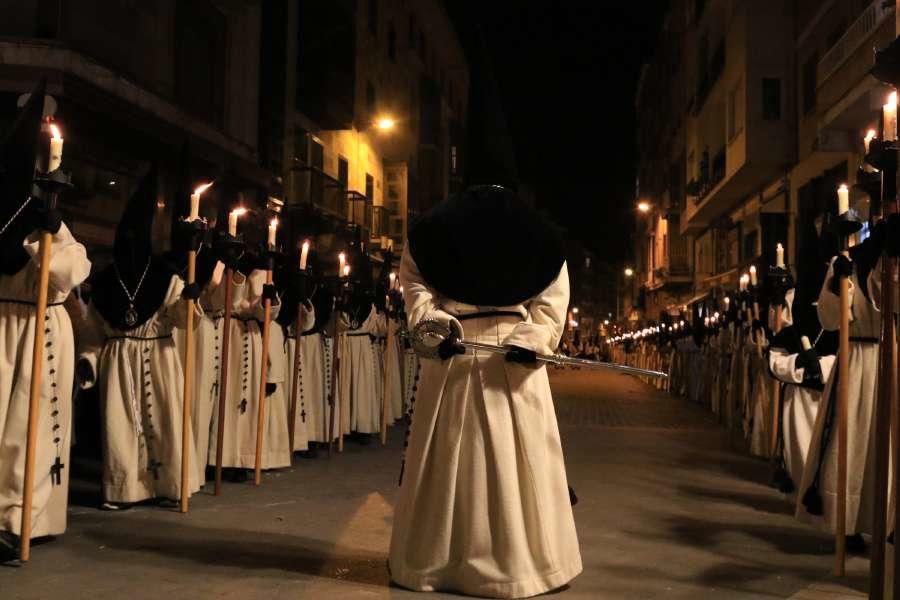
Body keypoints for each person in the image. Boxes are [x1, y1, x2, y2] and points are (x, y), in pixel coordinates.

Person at [390, 184, 582, 598]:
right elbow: (551, 304)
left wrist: (435, 323)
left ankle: (438, 561)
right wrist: (533, 337)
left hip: (469, 354)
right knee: (507, 454)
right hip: (483, 352)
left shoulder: (429, 231)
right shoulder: (540, 233)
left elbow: (415, 288)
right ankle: (522, 564)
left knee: (455, 455)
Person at [0, 84, 91, 554]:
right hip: (3, 325)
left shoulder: (43, 213)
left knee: (30, 429)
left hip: (40, 326)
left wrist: (47, 230)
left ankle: (21, 521)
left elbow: (75, 270)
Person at [79, 164, 201, 507]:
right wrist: (87, 362)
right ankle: (124, 489)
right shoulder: (104, 283)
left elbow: (182, 322)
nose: (131, 242)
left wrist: (189, 300)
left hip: (160, 357)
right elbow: (92, 333)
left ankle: (168, 486)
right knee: (121, 429)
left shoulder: (165, 277)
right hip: (119, 363)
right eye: (126, 237)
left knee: (164, 422)